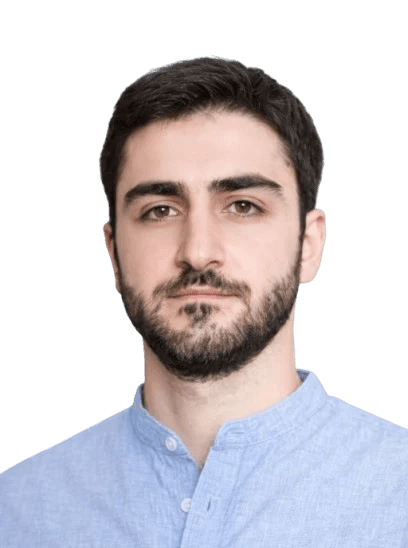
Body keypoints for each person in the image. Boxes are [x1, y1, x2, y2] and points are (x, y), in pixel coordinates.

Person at [1, 55, 407, 547]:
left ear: (309, 244)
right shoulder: (15, 512)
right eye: (160, 210)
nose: (197, 251)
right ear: (114, 253)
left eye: (243, 206)